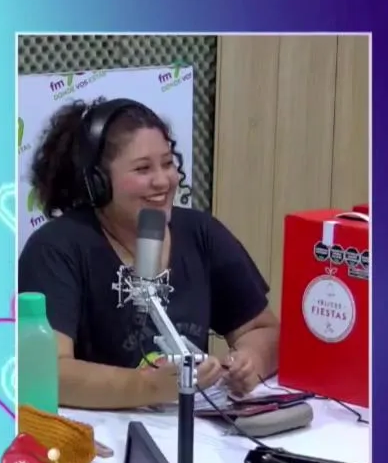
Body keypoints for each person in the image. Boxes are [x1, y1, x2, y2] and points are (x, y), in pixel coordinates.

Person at [19, 97, 280, 411]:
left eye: (168, 164)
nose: (162, 181)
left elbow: (262, 329)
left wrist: (250, 361)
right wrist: (149, 386)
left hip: (191, 426)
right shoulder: (55, 248)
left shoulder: (202, 233)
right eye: (143, 169)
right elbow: (48, 372)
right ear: (98, 182)